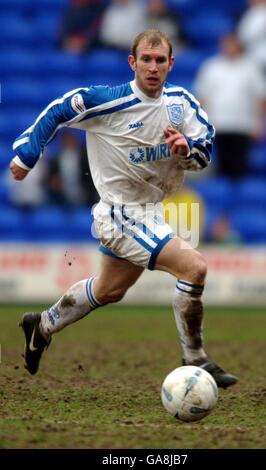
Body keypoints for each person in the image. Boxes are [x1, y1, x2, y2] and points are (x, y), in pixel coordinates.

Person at [10, 29, 238, 388]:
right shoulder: (110, 102)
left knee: (109, 291)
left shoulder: (181, 104)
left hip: (149, 210)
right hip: (120, 214)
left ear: (170, 64)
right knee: (194, 268)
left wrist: (186, 148)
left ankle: (42, 325)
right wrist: (28, 152)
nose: (152, 67)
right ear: (132, 63)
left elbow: (205, 151)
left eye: (160, 60)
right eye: (145, 59)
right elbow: (60, 108)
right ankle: (196, 358)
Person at [194, 32, 266, 179]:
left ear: (239, 45)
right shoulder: (211, 67)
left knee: (240, 167)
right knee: (220, 168)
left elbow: (263, 97)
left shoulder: (252, 67)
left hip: (244, 126)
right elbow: (202, 98)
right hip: (217, 125)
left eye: (232, 44)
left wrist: (262, 124)